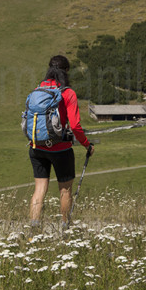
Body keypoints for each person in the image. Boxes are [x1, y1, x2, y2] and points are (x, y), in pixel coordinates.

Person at [28, 55, 94, 229]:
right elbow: (76, 126)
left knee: (40, 188)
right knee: (65, 190)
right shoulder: (67, 92)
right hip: (60, 149)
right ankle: (65, 227)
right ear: (66, 71)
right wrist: (87, 144)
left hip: (37, 146)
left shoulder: (38, 89)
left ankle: (34, 227)